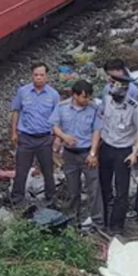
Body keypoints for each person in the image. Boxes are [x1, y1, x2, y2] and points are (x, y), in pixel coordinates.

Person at [99, 73, 138, 234]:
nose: (116, 93)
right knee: (103, 186)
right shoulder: (106, 101)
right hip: (106, 147)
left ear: (126, 90)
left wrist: (134, 153)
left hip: (123, 151)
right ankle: (103, 219)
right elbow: (99, 119)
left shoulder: (135, 108)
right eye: (114, 88)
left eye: (120, 89)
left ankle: (117, 225)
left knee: (121, 190)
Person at [50, 80, 103, 227]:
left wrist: (93, 153)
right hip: (69, 154)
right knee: (73, 188)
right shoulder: (62, 107)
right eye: (84, 97)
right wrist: (64, 137)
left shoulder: (94, 109)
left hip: (87, 153)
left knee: (94, 188)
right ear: (75, 95)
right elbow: (55, 126)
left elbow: (97, 131)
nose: (86, 100)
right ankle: (74, 217)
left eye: (88, 97)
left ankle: (97, 219)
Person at [10, 63, 61, 206]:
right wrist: (13, 132)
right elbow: (15, 112)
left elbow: (58, 118)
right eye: (36, 75)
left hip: (45, 138)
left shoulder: (53, 95)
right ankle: (17, 199)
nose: (39, 78)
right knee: (21, 170)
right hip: (25, 137)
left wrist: (57, 138)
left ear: (46, 76)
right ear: (32, 75)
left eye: (42, 75)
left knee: (47, 170)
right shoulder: (22, 92)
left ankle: (51, 198)